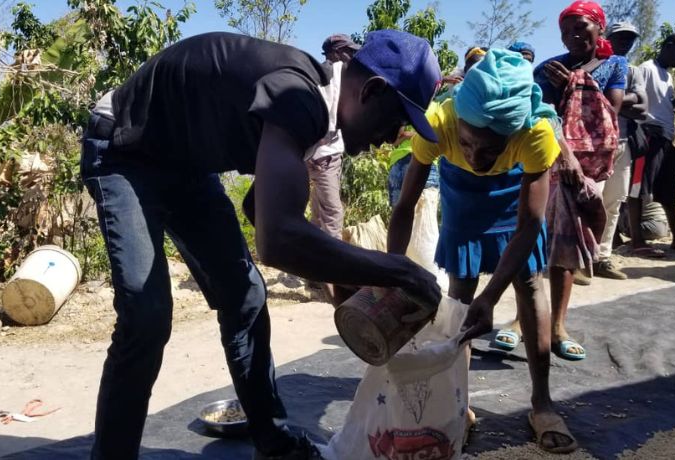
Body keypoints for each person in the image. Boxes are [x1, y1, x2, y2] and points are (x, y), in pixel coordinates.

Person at [81, 30, 444, 460]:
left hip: (187, 169)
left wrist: (344, 290)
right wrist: (399, 271)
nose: (391, 137)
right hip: (125, 148)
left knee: (245, 295)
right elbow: (277, 239)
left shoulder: (317, 112)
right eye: (396, 118)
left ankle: (274, 443)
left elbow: (258, 209)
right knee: (146, 315)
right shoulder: (299, 93)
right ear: (372, 90)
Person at [389, 49, 577, 454]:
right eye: (470, 143)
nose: (476, 156)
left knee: (529, 282)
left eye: (490, 149)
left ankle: (542, 403)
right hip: (463, 196)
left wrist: (493, 299)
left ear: (514, 134)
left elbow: (529, 226)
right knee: (461, 295)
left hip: (515, 190)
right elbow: (404, 207)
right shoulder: (439, 123)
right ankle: (460, 405)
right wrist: (391, 272)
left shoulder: (537, 134)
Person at [525, 0, 626, 361]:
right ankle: (528, 319)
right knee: (535, 237)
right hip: (549, 161)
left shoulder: (614, 65)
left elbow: (610, 112)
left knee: (568, 241)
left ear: (600, 28)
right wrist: (562, 154)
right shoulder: (547, 68)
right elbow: (541, 116)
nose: (574, 35)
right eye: (567, 30)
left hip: (587, 168)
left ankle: (557, 325)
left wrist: (575, 85)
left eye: (581, 27)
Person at [591, 22, 648, 279]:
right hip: (593, 143)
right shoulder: (596, 64)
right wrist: (619, 100)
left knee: (614, 201)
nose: (626, 42)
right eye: (621, 37)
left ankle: (602, 257)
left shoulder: (634, 71)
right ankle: (582, 257)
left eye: (630, 39)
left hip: (622, 142)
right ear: (607, 37)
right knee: (591, 200)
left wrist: (604, 96)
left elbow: (642, 106)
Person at [306, 34, 359, 239]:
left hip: (314, 154)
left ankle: (309, 263)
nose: (352, 56)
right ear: (337, 53)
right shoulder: (336, 73)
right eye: (350, 52)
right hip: (325, 156)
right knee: (333, 213)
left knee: (319, 213)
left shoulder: (316, 74)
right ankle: (334, 266)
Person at [640, 33, 675, 252]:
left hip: (667, 138)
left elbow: (664, 104)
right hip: (651, 137)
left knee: (668, 190)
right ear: (669, 45)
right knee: (641, 189)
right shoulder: (647, 69)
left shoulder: (668, 75)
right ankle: (630, 238)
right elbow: (639, 101)